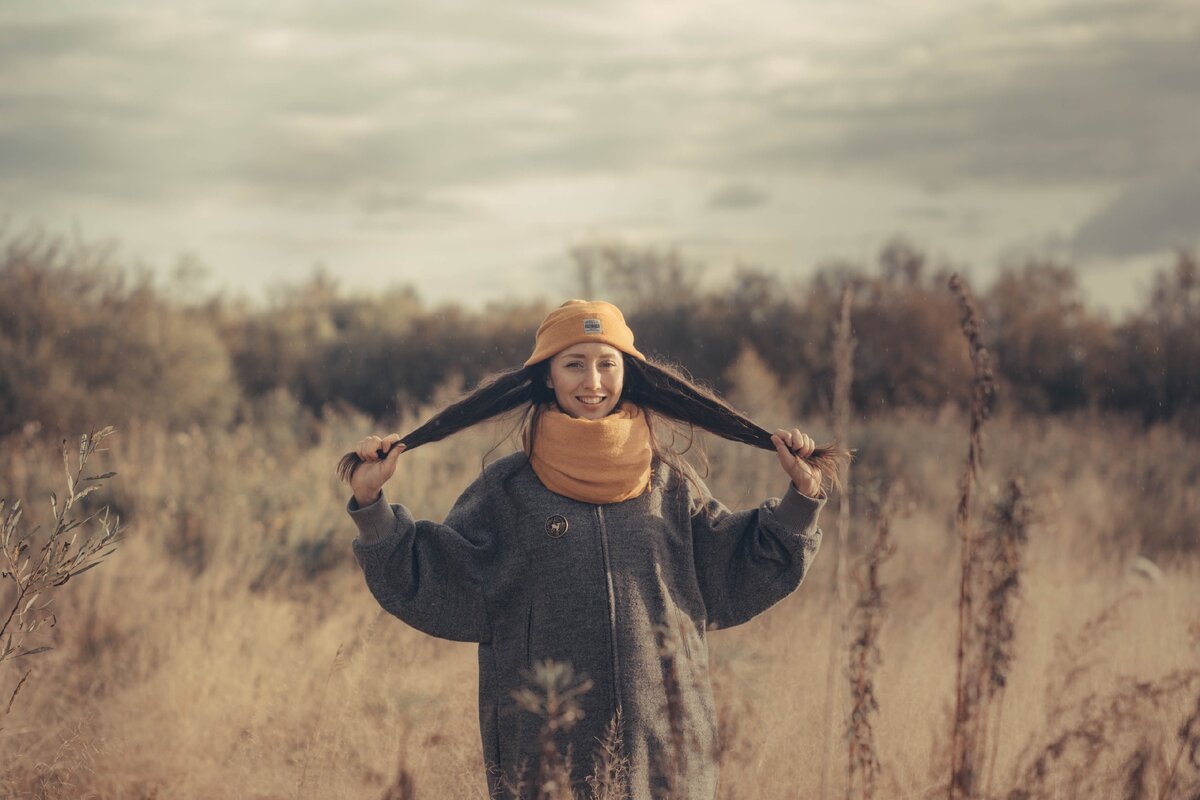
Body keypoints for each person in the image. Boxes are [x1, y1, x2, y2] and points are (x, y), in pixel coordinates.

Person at [338, 300, 840, 799]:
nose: (592, 382)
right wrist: (370, 502)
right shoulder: (506, 489)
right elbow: (436, 577)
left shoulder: (670, 484)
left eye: (607, 364)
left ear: (628, 373)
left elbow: (738, 567)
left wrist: (801, 497)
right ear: (548, 377)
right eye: (574, 364)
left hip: (666, 752)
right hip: (547, 754)